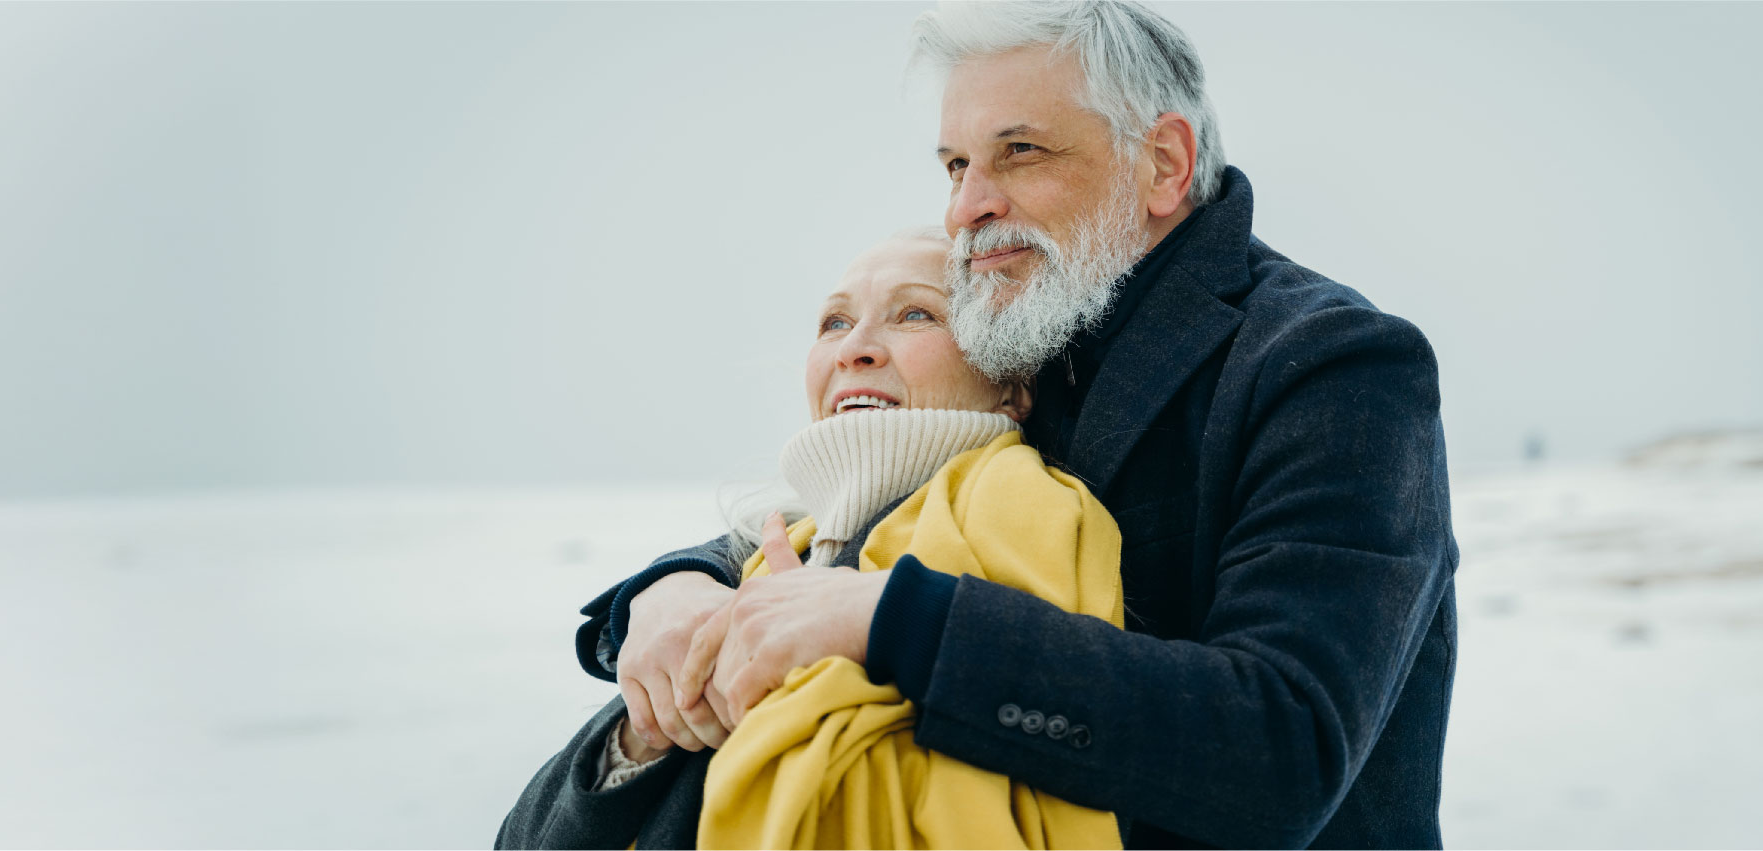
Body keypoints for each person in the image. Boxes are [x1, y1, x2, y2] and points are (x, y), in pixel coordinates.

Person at [567, 3, 1458, 849]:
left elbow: (1283, 747)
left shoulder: (1332, 363)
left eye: (1019, 152)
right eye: (956, 166)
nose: (967, 207)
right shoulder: (1030, 334)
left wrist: (891, 619)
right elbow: (857, 503)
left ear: (1163, 164)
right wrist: (672, 587)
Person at [497, 229, 1127, 849]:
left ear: (1013, 387)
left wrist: (810, 675)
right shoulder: (769, 555)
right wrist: (645, 731)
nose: (854, 349)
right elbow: (522, 840)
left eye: (915, 313)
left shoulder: (1028, 508)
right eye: (834, 322)